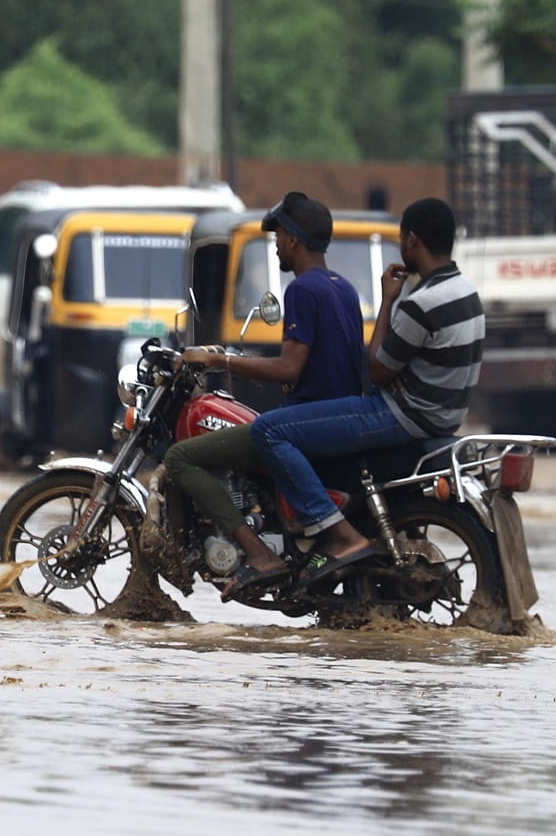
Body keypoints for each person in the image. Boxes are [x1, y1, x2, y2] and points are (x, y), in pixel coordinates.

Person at [248, 197, 485, 584]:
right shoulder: (466, 293)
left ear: (411, 241)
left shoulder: (420, 303)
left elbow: (376, 367)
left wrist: (389, 300)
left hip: (402, 415)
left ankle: (336, 535)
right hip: (444, 416)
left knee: (268, 430)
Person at [162, 192, 362, 597]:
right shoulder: (344, 288)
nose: (275, 244)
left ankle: (258, 553)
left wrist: (220, 362)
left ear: (294, 240)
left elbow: (289, 367)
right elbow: (310, 364)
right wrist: (252, 364)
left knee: (180, 458)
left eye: (279, 235)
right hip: (335, 418)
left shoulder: (303, 290)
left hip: (305, 425)